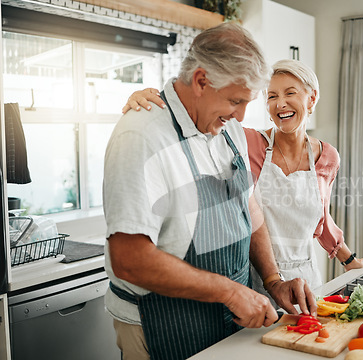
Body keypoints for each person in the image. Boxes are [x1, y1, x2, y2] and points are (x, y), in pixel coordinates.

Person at [103, 23, 317, 360]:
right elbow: (130, 260)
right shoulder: (142, 136)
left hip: (225, 315)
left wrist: (274, 280)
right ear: (201, 81)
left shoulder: (226, 126)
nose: (241, 116)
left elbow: (249, 206)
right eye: (235, 100)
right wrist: (230, 292)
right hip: (163, 322)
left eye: (247, 102)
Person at [124, 59, 363, 306]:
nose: (280, 103)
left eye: (290, 93)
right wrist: (154, 102)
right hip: (256, 281)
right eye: (272, 96)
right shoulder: (248, 141)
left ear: (312, 98)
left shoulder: (327, 156)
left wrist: (350, 261)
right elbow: (199, 121)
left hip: (307, 280)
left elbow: (321, 218)